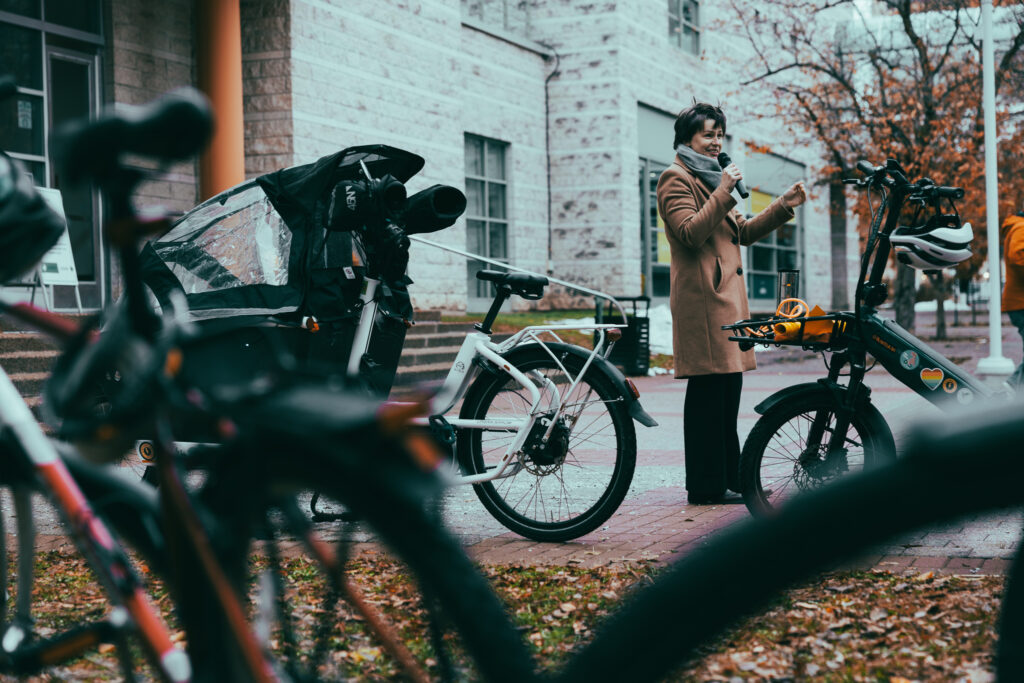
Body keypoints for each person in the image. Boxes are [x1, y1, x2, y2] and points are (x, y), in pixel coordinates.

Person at [656, 102, 807, 505]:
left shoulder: (710, 179)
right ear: (686, 138)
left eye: (719, 135)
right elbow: (689, 232)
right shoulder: (675, 179)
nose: (715, 142)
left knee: (726, 398)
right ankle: (705, 487)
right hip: (703, 303)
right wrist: (723, 190)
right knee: (708, 399)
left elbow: (742, 231)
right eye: (708, 134)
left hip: (725, 303)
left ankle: (733, 479)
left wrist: (783, 205)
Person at [1002, 210, 1024, 389]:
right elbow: (1017, 257)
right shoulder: (1021, 228)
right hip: (1021, 302)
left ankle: (1014, 387)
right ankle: (1013, 387)